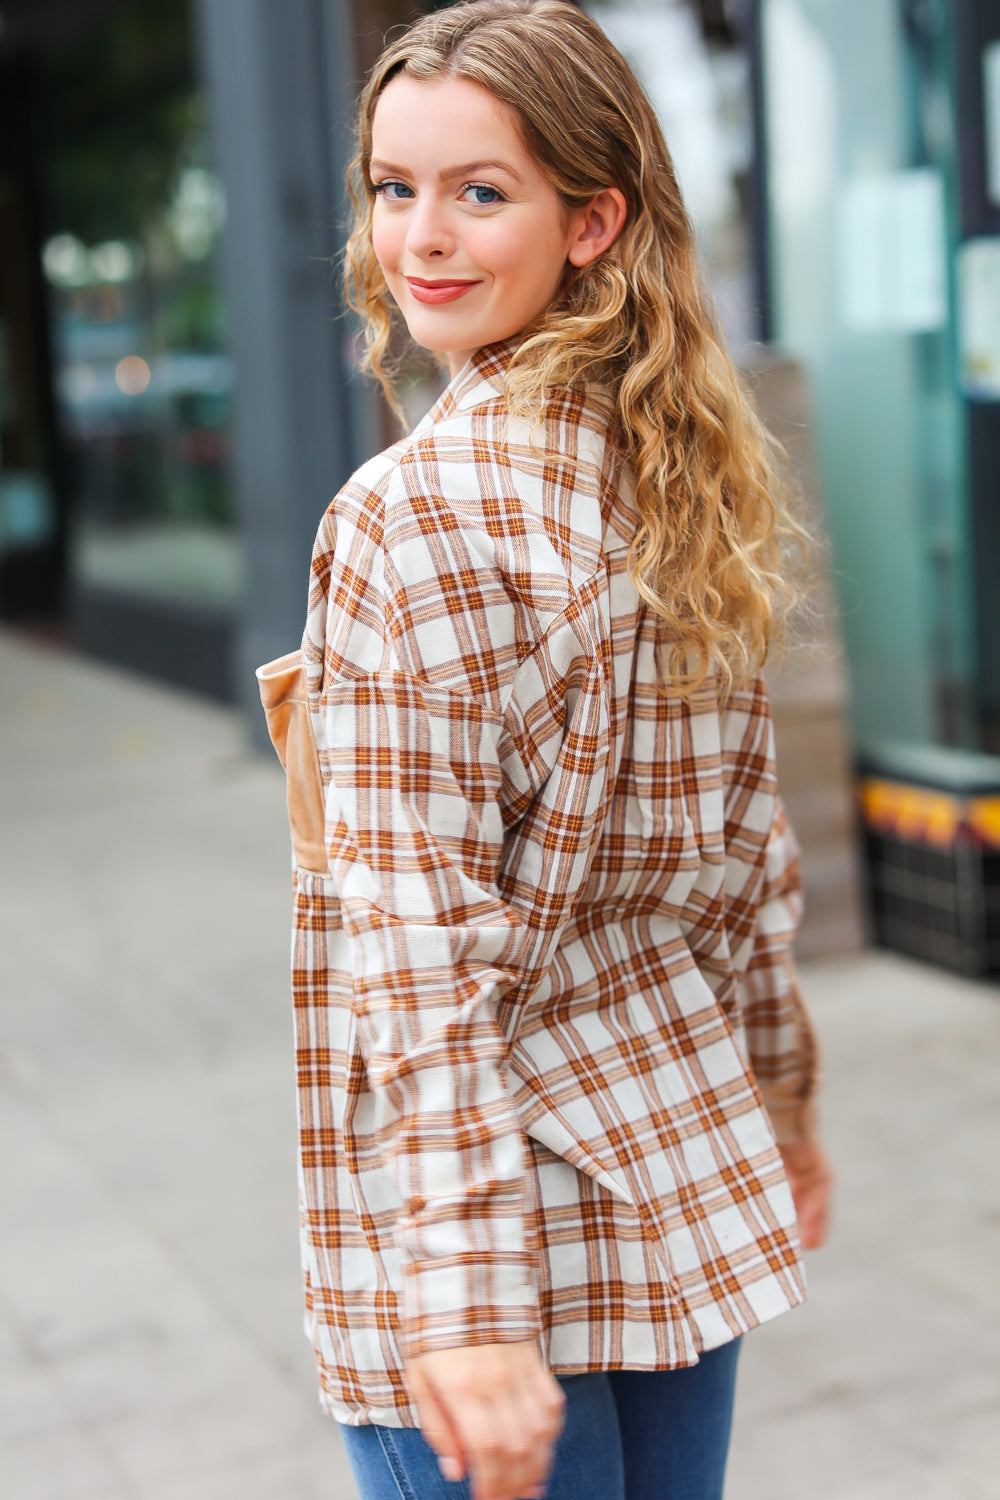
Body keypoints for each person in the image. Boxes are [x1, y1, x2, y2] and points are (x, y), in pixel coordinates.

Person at [256, 3, 833, 1497]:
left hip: (493, 1248)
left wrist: (457, 1310)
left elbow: (422, 940)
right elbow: (744, 864)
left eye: (481, 191)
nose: (422, 238)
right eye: (395, 188)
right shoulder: (680, 475)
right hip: (676, 1162)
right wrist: (779, 1102)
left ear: (595, 220)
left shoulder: (405, 515)